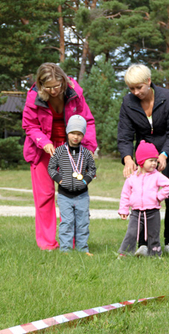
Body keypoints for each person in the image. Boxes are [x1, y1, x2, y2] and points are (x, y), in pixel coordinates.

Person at [22, 63, 97, 251]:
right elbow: (30, 125)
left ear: (63, 81)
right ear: (40, 86)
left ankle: (70, 242)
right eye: (48, 88)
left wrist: (86, 151)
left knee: (72, 193)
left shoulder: (74, 94)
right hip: (43, 149)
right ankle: (47, 244)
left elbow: (86, 120)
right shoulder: (34, 97)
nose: (53, 91)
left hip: (70, 147)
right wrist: (43, 141)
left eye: (57, 86)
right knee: (45, 196)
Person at [117, 64, 169, 258]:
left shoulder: (167, 98)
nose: (135, 92)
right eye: (131, 89)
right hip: (144, 156)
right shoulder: (128, 103)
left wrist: (164, 155)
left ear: (148, 81)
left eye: (139, 87)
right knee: (142, 198)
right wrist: (128, 159)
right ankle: (144, 244)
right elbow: (124, 135)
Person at [47, 115, 96, 255]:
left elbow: (92, 170)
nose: (76, 136)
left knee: (83, 223)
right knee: (66, 223)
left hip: (82, 195)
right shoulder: (59, 151)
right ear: (67, 132)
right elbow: (51, 168)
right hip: (64, 195)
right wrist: (59, 179)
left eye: (79, 134)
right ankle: (65, 250)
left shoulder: (86, 153)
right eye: (73, 133)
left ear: (83, 135)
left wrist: (85, 180)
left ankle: (83, 249)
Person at [118, 140, 169, 257]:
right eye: (151, 161)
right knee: (131, 233)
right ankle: (124, 253)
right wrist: (124, 210)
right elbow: (125, 194)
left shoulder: (157, 175)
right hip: (136, 213)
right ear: (141, 161)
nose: (154, 163)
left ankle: (155, 255)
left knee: (153, 235)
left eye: (155, 161)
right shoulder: (132, 177)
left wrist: (159, 196)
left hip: (153, 212)